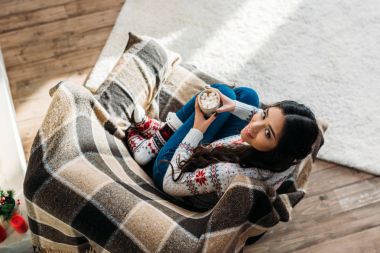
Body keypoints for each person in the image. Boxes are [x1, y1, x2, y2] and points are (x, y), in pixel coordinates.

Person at [126, 84, 319, 199]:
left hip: (171, 171)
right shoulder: (288, 157)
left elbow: (170, 183)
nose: (255, 125)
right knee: (247, 95)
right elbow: (263, 120)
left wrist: (197, 130)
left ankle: (153, 143)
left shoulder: (229, 173)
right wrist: (233, 105)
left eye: (267, 133)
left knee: (219, 91)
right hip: (218, 152)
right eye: (264, 114)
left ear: (279, 150)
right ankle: (163, 132)